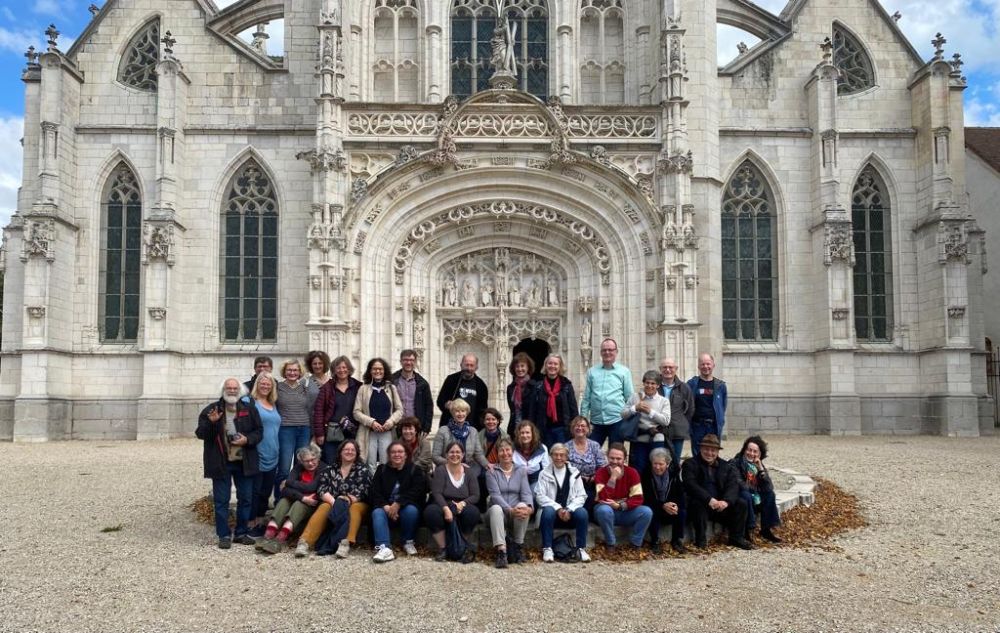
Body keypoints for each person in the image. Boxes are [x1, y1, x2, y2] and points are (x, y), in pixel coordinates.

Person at [195, 378, 262, 549]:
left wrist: (247, 439)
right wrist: (212, 423)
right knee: (221, 500)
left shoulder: (249, 409)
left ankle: (241, 533)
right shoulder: (212, 410)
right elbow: (201, 434)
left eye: (234, 388)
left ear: (240, 391)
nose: (231, 391)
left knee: (246, 499)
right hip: (221, 462)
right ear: (223, 390)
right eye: (228, 388)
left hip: (244, 461)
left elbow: (259, 432)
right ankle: (224, 535)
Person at [300, 440, 372, 558]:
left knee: (354, 508)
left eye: (352, 450)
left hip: (357, 503)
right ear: (340, 452)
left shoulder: (363, 470)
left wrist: (347, 499)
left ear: (357, 453)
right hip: (334, 501)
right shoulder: (330, 469)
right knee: (324, 506)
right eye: (346, 449)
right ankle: (304, 542)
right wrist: (335, 502)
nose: (349, 452)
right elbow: (321, 489)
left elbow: (365, 492)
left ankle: (345, 543)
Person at [681, 434, 752, 550]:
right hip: (702, 504)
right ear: (700, 449)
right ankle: (701, 540)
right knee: (697, 504)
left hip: (720, 505)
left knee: (741, 503)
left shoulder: (725, 466)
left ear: (717, 451)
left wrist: (726, 501)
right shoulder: (690, 464)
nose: (709, 453)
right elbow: (690, 485)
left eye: (713, 450)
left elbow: (733, 485)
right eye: (706, 449)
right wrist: (709, 499)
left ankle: (736, 537)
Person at [257, 445, 326, 555]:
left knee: (298, 504)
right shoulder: (298, 467)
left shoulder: (323, 468)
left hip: (312, 505)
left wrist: (289, 483)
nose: (310, 463)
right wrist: (303, 497)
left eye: (313, 460)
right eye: (306, 461)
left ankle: (279, 540)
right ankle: (268, 535)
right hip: (301, 499)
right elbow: (284, 490)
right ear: (302, 462)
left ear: (318, 457)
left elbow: (311, 487)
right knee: (284, 501)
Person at [423, 441, 481, 563]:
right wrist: (446, 509)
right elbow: (437, 492)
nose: (455, 455)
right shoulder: (440, 470)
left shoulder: (469, 472)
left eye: (458, 452)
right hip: (443, 503)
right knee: (431, 512)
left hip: (462, 504)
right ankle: (443, 548)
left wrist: (462, 504)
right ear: (446, 455)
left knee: (473, 513)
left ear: (463, 454)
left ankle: (460, 546)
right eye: (452, 452)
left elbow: (475, 495)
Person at [370, 440, 428, 562]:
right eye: (393, 452)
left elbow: (417, 491)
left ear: (406, 454)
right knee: (377, 512)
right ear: (389, 455)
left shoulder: (415, 470)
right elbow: (375, 492)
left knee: (411, 511)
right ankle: (384, 548)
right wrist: (386, 506)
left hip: (406, 509)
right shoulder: (382, 470)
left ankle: (408, 541)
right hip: (386, 508)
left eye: (400, 452)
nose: (397, 454)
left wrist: (398, 503)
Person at [534, 443, 591, 563]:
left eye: (562, 455)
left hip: (570, 514)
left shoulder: (575, 473)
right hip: (552, 516)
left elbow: (582, 495)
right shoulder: (544, 473)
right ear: (551, 456)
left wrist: (569, 509)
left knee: (582, 512)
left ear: (567, 457)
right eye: (556, 455)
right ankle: (547, 548)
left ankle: (581, 548)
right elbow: (539, 496)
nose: (559, 458)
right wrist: (558, 508)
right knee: (548, 510)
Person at [484, 437, 533, 568]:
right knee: (496, 508)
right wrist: (510, 510)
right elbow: (495, 496)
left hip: (516, 513)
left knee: (523, 506)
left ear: (513, 451)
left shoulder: (521, 470)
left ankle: (518, 547)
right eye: (501, 450)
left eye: (508, 450)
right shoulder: (491, 472)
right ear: (497, 453)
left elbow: (527, 492)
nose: (505, 453)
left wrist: (529, 507)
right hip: (497, 515)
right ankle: (501, 552)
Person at [593, 443, 653, 550]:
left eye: (618, 458)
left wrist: (620, 506)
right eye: (612, 458)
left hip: (625, 510)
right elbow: (603, 497)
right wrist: (612, 478)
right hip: (606, 512)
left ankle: (636, 543)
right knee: (604, 510)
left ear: (625, 459)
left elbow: (638, 498)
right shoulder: (600, 472)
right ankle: (611, 543)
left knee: (646, 512)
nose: (615, 461)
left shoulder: (632, 472)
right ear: (607, 457)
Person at [275, 359, 319, 499]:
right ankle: (280, 500)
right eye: (289, 370)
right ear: (284, 371)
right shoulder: (278, 387)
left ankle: (297, 499)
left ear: (300, 372)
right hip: (285, 430)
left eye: (295, 370)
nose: (292, 373)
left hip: (304, 429)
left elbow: (313, 406)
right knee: (284, 467)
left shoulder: (305, 387)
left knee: (301, 465)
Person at [580, 338, 633, 447]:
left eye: (610, 350)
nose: (607, 352)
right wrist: (583, 419)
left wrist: (629, 421)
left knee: (615, 455)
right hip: (596, 422)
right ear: (600, 352)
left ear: (616, 352)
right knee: (590, 453)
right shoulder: (592, 371)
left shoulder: (624, 371)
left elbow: (629, 397)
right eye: (604, 350)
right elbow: (587, 398)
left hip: (617, 420)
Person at [731, 435, 782, 544]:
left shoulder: (758, 465)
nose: (751, 453)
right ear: (744, 450)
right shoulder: (735, 463)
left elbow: (768, 488)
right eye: (749, 450)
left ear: (759, 454)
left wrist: (761, 470)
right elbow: (739, 483)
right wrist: (755, 492)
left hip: (755, 497)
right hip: (742, 497)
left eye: (755, 452)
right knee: (746, 494)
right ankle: (747, 530)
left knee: (770, 494)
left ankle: (766, 529)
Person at [354, 358, 404, 468]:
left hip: (386, 431)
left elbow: (399, 410)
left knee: (386, 462)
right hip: (369, 432)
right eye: (375, 369)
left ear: (384, 371)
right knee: (370, 463)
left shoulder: (391, 388)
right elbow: (356, 412)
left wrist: (391, 422)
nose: (377, 371)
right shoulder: (363, 389)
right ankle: (373, 485)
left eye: (380, 369)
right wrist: (371, 422)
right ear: (370, 371)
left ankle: (384, 485)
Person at [312, 355, 362, 465]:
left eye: (344, 367)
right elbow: (319, 411)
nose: (342, 370)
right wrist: (319, 433)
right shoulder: (327, 387)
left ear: (349, 369)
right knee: (331, 463)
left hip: (352, 432)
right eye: (338, 368)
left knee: (351, 463)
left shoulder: (358, 386)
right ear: (334, 370)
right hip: (332, 432)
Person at [249, 372, 280, 536]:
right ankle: (250, 522)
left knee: (266, 490)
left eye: (268, 384)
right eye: (262, 383)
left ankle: (260, 521)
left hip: (273, 452)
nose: (265, 386)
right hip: (257, 453)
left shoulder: (273, 404)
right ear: (257, 385)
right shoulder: (250, 402)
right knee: (255, 490)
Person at [622, 370, 671, 476]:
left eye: (653, 383)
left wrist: (650, 412)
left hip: (657, 438)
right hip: (638, 438)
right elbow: (623, 414)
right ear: (643, 383)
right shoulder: (635, 397)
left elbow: (666, 421)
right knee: (638, 469)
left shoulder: (664, 401)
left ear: (658, 385)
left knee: (656, 468)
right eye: (647, 382)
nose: (649, 385)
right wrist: (635, 408)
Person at [641, 447, 686, 554]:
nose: (657, 467)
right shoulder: (646, 475)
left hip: (669, 508)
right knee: (651, 511)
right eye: (655, 463)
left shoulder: (674, 475)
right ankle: (655, 541)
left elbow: (680, 495)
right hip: (655, 507)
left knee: (682, 512)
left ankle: (676, 540)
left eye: (661, 464)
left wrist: (673, 505)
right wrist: (662, 505)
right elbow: (646, 498)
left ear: (667, 464)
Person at [528, 353, 578, 448]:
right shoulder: (538, 386)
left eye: (556, 364)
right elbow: (532, 411)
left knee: (562, 456)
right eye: (550, 363)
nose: (552, 366)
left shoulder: (566, 385)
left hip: (563, 430)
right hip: (543, 430)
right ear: (545, 366)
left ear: (560, 367)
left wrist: (575, 428)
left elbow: (573, 409)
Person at [431, 399, 488, 477]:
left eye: (463, 411)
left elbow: (478, 454)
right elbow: (435, 456)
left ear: (467, 413)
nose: (460, 414)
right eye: (457, 411)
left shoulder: (473, 431)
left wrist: (487, 464)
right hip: (448, 468)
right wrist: (456, 464)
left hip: (468, 468)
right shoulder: (443, 431)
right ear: (452, 413)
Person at [437, 353, 489, 431]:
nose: (468, 368)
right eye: (466, 365)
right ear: (461, 365)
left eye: (472, 365)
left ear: (476, 367)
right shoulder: (451, 379)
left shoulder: (481, 385)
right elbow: (440, 401)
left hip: (472, 429)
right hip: (450, 428)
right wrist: (446, 404)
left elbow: (483, 411)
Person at [565, 416, 607, 511]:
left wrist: (594, 478)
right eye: (577, 426)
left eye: (583, 426)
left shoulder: (594, 445)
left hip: (592, 483)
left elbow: (602, 466)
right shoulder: (566, 446)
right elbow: (564, 467)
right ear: (572, 429)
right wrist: (578, 477)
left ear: (588, 429)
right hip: (573, 484)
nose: (580, 428)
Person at [686, 352, 728, 448]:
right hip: (697, 426)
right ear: (698, 366)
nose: (705, 366)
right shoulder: (691, 384)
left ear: (713, 365)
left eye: (708, 364)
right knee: (697, 455)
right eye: (703, 364)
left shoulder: (720, 386)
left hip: (714, 426)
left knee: (712, 454)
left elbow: (723, 406)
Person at [391, 349, 434, 435]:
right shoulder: (392, 380)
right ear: (401, 361)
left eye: (411, 360)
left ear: (415, 362)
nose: (408, 363)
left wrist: (427, 428)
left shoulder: (422, 383)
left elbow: (429, 406)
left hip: (415, 428)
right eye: (405, 360)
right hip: (396, 426)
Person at [660, 357, 694, 460]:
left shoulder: (684, 388)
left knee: (675, 460)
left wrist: (681, 421)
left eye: (671, 367)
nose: (668, 370)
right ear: (660, 369)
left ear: (676, 369)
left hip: (677, 431)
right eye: (665, 367)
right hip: (658, 431)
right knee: (659, 460)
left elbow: (690, 409)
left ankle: (674, 476)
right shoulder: (655, 386)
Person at [505, 352, 539, 436]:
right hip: (515, 427)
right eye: (517, 366)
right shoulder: (511, 388)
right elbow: (513, 410)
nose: (520, 369)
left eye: (522, 366)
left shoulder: (535, 386)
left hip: (530, 428)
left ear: (528, 368)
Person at [512, 420, 549, 487]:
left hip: (536, 480)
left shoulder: (542, 448)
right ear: (518, 434)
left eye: (527, 432)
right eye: (522, 433)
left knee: (533, 493)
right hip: (517, 480)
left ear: (533, 434)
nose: (525, 435)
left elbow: (546, 469)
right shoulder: (512, 448)